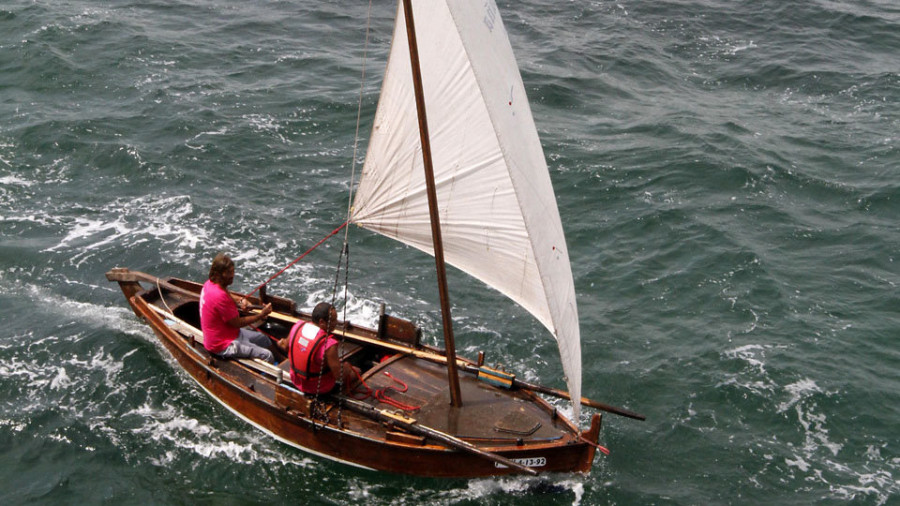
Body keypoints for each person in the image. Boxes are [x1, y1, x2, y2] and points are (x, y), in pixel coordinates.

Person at [199, 253, 276, 364]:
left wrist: (240, 300)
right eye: (229, 273)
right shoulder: (219, 296)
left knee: (264, 339)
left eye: (233, 271)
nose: (233, 275)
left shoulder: (210, 284)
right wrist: (261, 315)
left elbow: (227, 294)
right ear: (219, 274)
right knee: (268, 355)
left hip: (232, 333)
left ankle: (282, 361)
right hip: (223, 345)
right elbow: (237, 323)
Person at [287, 302, 360, 394]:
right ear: (322, 322)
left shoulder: (297, 326)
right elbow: (339, 375)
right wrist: (348, 367)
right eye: (333, 320)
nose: (336, 323)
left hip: (296, 380)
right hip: (318, 388)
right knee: (357, 371)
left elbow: (284, 346)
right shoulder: (329, 344)